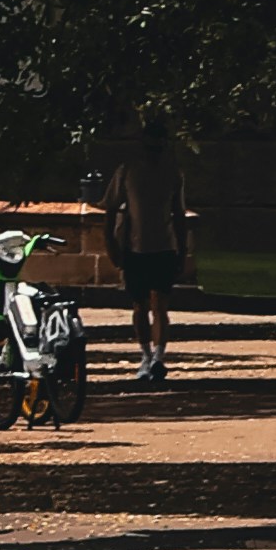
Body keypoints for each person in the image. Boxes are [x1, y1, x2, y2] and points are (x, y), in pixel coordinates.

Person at [102, 124, 191, 393]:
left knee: (160, 305)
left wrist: (182, 250)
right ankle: (144, 356)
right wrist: (111, 245)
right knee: (140, 306)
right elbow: (110, 209)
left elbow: (179, 213)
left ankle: (158, 358)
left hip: (163, 247)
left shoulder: (172, 172)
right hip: (134, 248)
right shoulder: (127, 171)